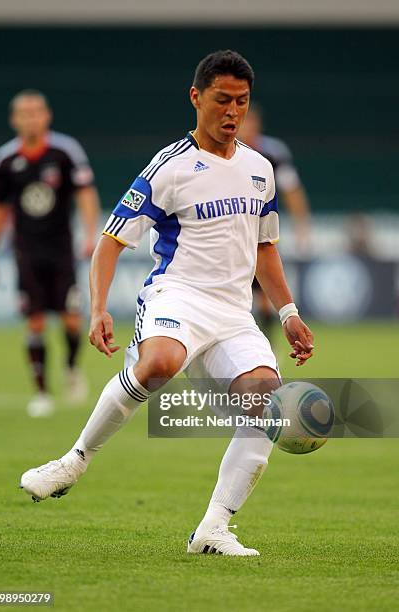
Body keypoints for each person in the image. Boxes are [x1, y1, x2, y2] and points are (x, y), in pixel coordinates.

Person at [20, 51, 314, 556]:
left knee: (268, 405)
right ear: (196, 98)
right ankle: (74, 459)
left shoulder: (259, 169)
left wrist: (287, 313)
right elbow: (110, 241)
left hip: (232, 313)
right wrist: (97, 308)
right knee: (158, 364)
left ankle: (213, 529)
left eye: (241, 102)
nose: (232, 112)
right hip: (177, 295)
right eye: (222, 100)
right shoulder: (169, 167)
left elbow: (265, 249)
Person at [0, 90, 100, 416]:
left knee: (71, 320)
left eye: (36, 112)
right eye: (24, 113)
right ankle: (41, 393)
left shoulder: (65, 152)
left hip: (62, 250)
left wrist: (91, 234)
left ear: (46, 116)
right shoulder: (6, 161)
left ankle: (70, 367)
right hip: (26, 253)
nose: (30, 118)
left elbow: (86, 193)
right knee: (35, 322)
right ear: (14, 120)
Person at [237, 103, 311, 342]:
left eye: (251, 121)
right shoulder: (223, 153)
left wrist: (301, 226)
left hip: (259, 234)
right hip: (228, 235)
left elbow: (292, 190)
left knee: (263, 297)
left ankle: (267, 346)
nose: (247, 127)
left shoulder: (273, 153)